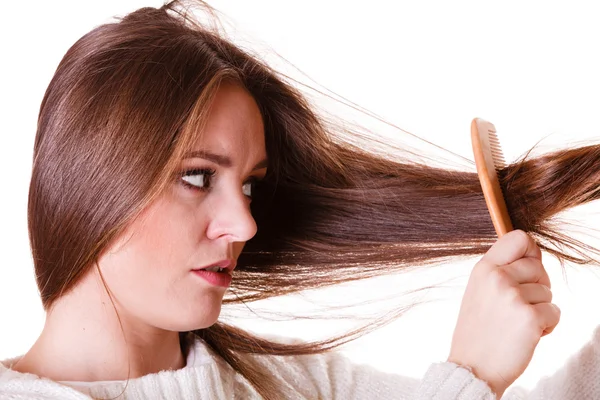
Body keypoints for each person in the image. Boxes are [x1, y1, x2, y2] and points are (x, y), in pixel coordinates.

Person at [2, 1, 600, 399]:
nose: (243, 223)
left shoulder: (285, 385)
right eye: (197, 177)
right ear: (93, 175)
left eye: (250, 185)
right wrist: (468, 378)